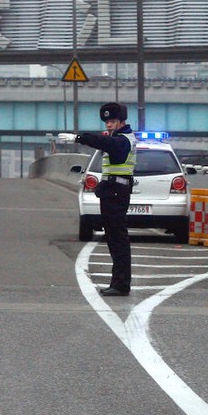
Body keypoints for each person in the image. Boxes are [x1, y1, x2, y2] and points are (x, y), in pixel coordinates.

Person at [59, 103, 137, 297]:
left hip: (117, 191)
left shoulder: (123, 140)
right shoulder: (116, 137)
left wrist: (80, 138)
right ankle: (118, 282)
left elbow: (106, 143)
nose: (109, 125)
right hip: (112, 190)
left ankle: (121, 284)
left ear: (122, 121)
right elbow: (105, 142)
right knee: (113, 237)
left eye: (112, 121)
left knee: (117, 238)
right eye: (107, 122)